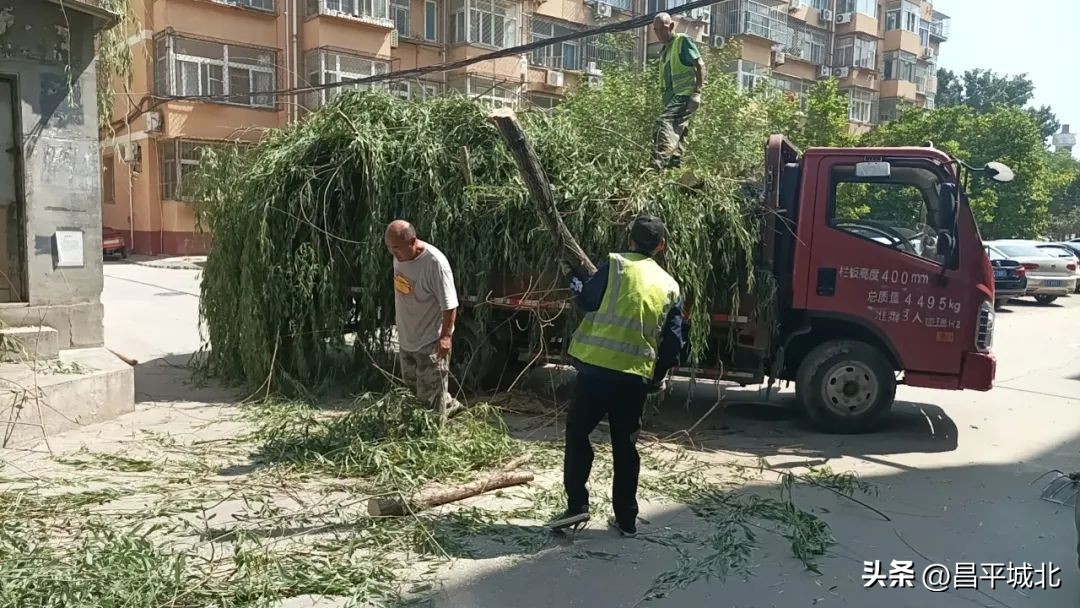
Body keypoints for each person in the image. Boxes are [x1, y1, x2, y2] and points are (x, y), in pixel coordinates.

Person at [547, 215, 684, 537]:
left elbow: (586, 300)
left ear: (630, 239)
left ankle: (577, 506)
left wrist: (573, 278)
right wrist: (657, 376)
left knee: (579, 433)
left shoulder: (616, 266)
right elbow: (674, 344)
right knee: (625, 445)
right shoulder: (670, 286)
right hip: (634, 378)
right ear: (661, 246)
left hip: (595, 370)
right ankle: (626, 519)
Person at [385, 220, 462, 419]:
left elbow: (450, 304)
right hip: (407, 339)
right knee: (413, 391)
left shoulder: (435, 264)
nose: (393, 254)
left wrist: (445, 337)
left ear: (412, 242)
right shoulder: (399, 256)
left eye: (396, 249)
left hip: (430, 342)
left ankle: (433, 436)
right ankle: (452, 408)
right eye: (389, 248)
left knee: (430, 401)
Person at [651, 12, 706, 170]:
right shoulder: (664, 52)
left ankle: (657, 168)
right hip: (671, 101)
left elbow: (700, 65)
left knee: (662, 125)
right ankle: (673, 172)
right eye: (656, 30)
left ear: (672, 26)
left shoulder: (682, 41)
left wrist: (697, 93)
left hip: (684, 97)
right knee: (678, 140)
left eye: (663, 29)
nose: (660, 33)